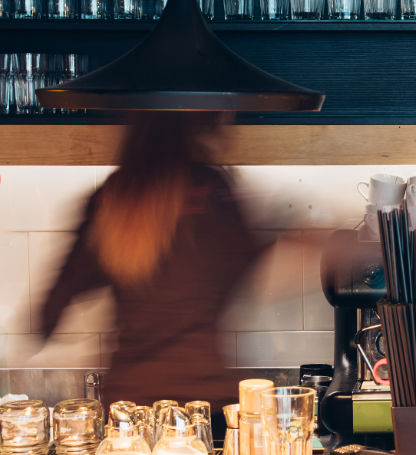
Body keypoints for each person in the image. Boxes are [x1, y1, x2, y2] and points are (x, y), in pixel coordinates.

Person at [40, 111, 259, 409]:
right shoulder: (210, 192)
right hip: (203, 400)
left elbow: (53, 306)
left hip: (131, 401)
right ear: (194, 127)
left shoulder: (111, 199)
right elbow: (245, 267)